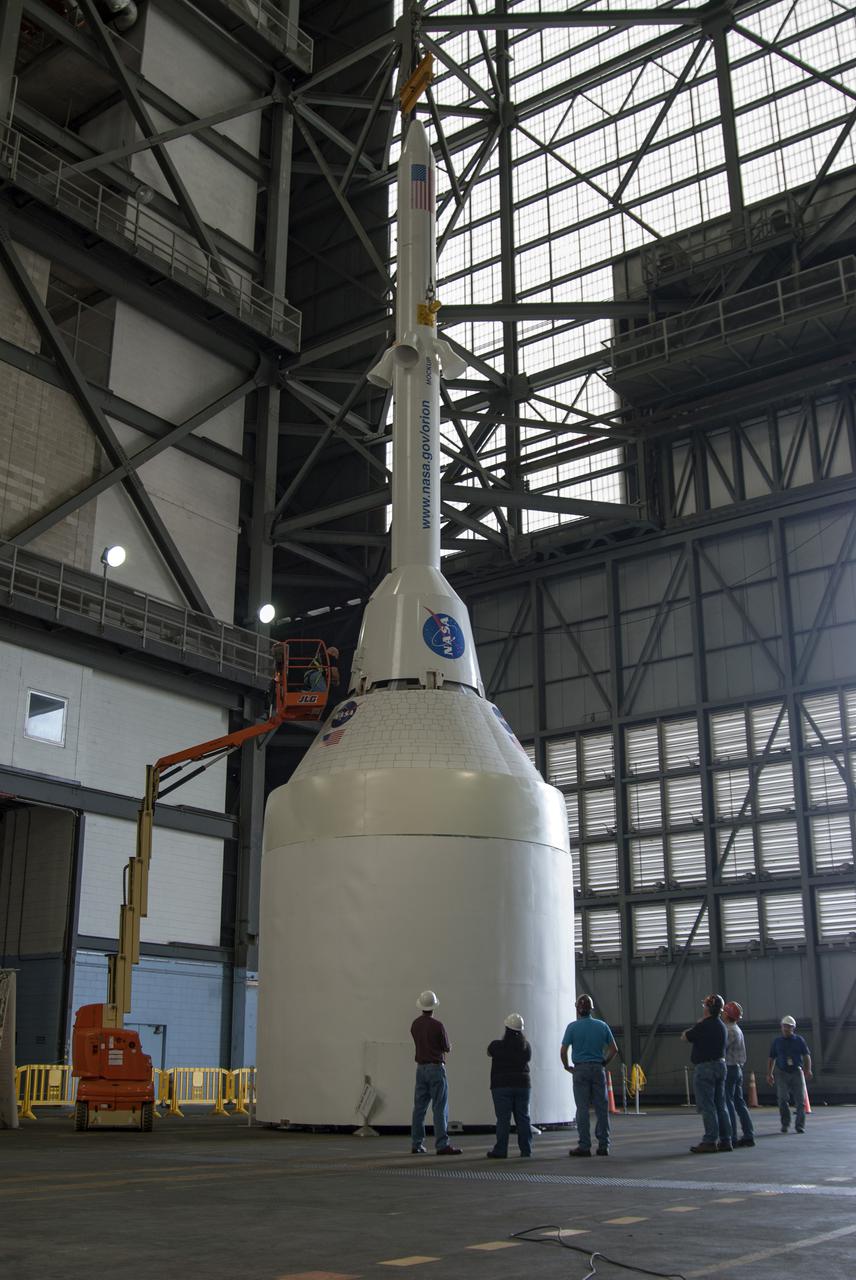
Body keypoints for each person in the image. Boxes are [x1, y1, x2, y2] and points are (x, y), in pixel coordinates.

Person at [561, 994, 618, 1157]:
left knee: (582, 1109)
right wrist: (603, 1063)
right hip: (598, 1069)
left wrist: (567, 1067)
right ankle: (603, 1145)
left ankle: (584, 1146)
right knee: (602, 1109)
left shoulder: (572, 1027)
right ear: (591, 1009)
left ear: (577, 1009)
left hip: (580, 1070)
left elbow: (563, 1051)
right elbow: (614, 1049)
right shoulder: (602, 1026)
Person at [409, 990, 462, 1155]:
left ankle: (416, 1144)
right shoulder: (438, 1025)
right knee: (439, 1107)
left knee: (419, 1108)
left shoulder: (415, 1024)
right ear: (433, 1007)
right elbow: (446, 1047)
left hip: (420, 1068)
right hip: (436, 1068)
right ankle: (441, 1144)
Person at [682, 993, 732, 1154]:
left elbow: (685, 1036)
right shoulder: (721, 1026)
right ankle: (726, 1140)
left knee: (707, 1106)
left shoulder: (704, 1025)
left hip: (705, 1068)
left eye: (705, 1006)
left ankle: (710, 1140)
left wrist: (698, 1024)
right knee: (720, 1105)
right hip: (721, 1066)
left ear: (708, 1008)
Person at [486, 1013, 533, 1159]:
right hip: (522, 1085)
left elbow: (489, 1052)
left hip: (501, 1086)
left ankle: (501, 1150)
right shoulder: (526, 1047)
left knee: (503, 1120)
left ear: (506, 1028)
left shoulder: (496, 1045)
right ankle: (526, 1150)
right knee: (523, 1118)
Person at [767, 1015, 812, 1134]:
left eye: (789, 1027)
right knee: (782, 1099)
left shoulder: (799, 1040)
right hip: (782, 1073)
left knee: (800, 1101)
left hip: (797, 1072)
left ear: (793, 1028)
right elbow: (772, 1058)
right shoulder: (777, 1042)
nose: (786, 1029)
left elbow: (806, 1056)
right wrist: (769, 1074)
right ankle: (785, 1124)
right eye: (784, 1026)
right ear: (781, 1027)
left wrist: (808, 1070)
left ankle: (799, 1126)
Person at [723, 1001, 755, 1148]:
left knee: (728, 1101)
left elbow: (722, 1048)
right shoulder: (737, 1029)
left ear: (727, 1014)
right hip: (737, 1069)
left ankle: (732, 1136)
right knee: (739, 1102)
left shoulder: (729, 1030)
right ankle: (748, 1134)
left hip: (729, 1069)